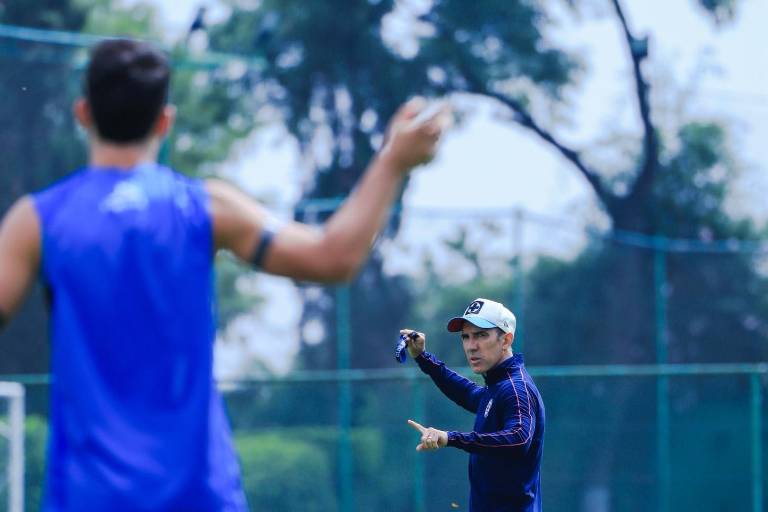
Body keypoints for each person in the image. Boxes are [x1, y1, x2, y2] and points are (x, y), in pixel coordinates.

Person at [0, 38, 449, 510]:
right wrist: (394, 160)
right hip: (198, 495)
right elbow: (333, 255)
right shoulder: (204, 207)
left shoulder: (38, 220)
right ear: (164, 121)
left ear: (83, 113)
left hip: (87, 498)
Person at [403, 298, 545, 512]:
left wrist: (451, 437)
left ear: (506, 340)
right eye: (466, 337)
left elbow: (519, 439)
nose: (471, 346)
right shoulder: (498, 387)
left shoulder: (515, 389)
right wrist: (423, 358)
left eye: (481, 335)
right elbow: (469, 393)